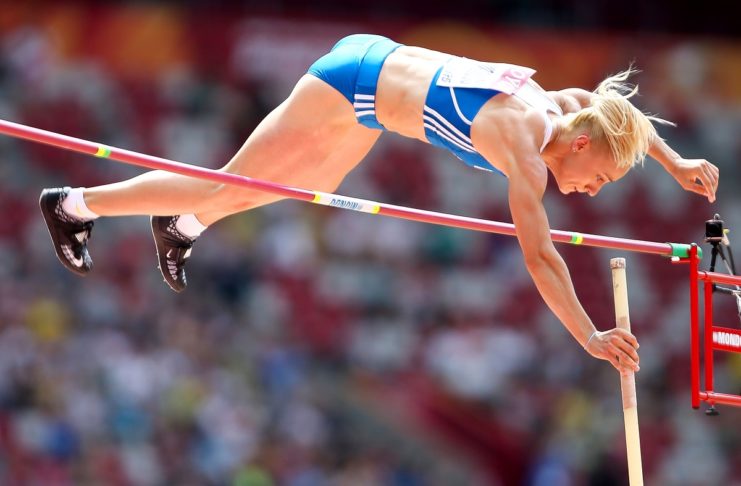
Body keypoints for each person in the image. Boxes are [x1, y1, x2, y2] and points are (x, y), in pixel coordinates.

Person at [39, 34, 719, 374]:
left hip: (374, 94)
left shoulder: (567, 112)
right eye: (600, 177)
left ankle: (181, 225)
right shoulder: (521, 149)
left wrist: (675, 162)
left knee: (295, 187)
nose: (594, 191)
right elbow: (541, 259)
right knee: (227, 182)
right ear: (579, 147)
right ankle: (75, 206)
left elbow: (613, 108)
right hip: (351, 83)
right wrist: (589, 338)